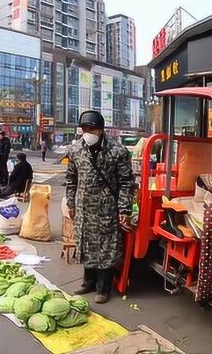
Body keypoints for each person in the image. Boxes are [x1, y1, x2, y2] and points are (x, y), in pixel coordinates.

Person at [65, 110, 135, 304]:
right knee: (86, 244)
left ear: (101, 130)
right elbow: (71, 179)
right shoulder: (75, 150)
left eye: (91, 129)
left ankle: (103, 288)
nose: (87, 132)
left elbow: (126, 182)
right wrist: (71, 202)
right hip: (84, 208)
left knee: (105, 248)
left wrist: (124, 209)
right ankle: (88, 282)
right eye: (84, 128)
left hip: (106, 209)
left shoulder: (117, 151)